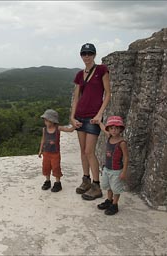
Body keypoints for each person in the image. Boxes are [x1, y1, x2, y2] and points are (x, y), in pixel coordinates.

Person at [70, 43, 111, 200]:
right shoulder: (80, 75)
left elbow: (107, 94)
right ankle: (86, 179)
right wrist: (72, 118)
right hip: (80, 116)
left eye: (89, 53)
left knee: (89, 152)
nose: (86, 56)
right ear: (81, 55)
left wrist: (100, 115)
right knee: (82, 151)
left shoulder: (101, 70)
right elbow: (76, 98)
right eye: (84, 53)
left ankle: (96, 185)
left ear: (94, 55)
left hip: (93, 118)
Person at [97, 116, 129, 215]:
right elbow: (103, 128)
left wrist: (123, 171)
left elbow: (126, 157)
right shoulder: (109, 137)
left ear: (120, 129)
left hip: (116, 170)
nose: (114, 130)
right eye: (111, 128)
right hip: (107, 168)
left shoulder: (122, 143)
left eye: (116, 128)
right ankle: (109, 200)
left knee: (116, 188)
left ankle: (114, 205)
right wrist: (98, 122)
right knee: (107, 186)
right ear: (109, 130)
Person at [38, 109, 75, 192]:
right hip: (46, 152)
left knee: (56, 167)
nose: (45, 122)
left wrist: (74, 126)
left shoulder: (58, 128)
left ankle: (58, 183)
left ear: (52, 121)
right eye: (45, 120)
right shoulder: (44, 129)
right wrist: (40, 150)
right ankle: (47, 181)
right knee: (46, 167)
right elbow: (43, 140)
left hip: (55, 153)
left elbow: (69, 130)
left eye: (47, 120)